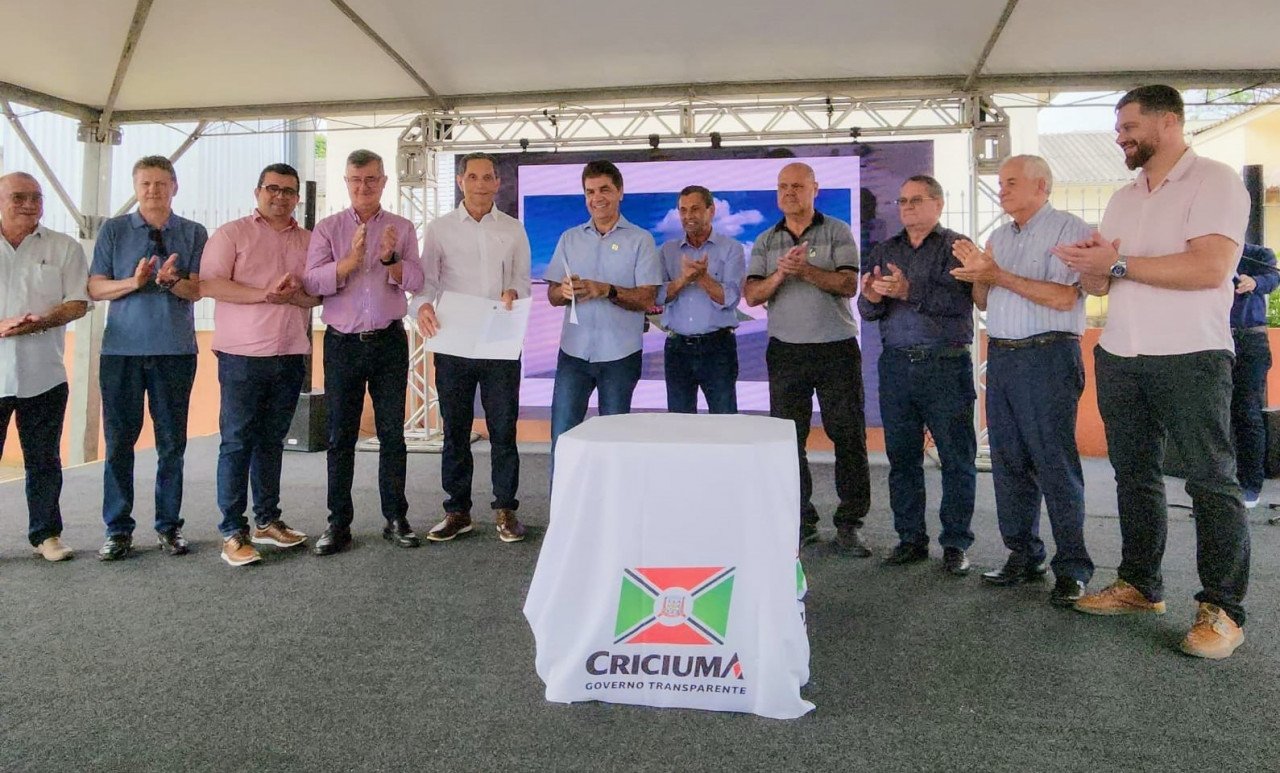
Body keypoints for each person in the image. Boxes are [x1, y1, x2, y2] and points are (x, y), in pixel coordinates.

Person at [1052, 85, 1251, 659]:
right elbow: (1102, 283)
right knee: (1133, 475)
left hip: (1191, 353)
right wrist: (1090, 268)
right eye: (1119, 129)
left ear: (1169, 123)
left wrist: (1114, 263)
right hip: (1121, 353)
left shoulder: (1214, 180)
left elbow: (1210, 267)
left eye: (1128, 127)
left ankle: (1223, 611)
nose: (1120, 138)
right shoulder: (1123, 197)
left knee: (1210, 481)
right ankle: (1140, 586)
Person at [951, 155, 1094, 605]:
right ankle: (1024, 554)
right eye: (1000, 182)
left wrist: (996, 273)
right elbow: (984, 301)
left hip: (1048, 354)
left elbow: (1064, 297)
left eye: (1012, 182)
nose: (1002, 190)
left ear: (1042, 186)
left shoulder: (1069, 229)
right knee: (1008, 462)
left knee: (1054, 463)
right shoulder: (999, 237)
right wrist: (978, 274)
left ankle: (1072, 567)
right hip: (1004, 357)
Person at [303, 149, 425, 556]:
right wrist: (350, 262)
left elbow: (417, 279)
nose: (363, 187)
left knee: (393, 434)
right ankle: (338, 523)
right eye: (356, 180)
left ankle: (396, 518)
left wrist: (390, 260)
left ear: (384, 181)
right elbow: (312, 282)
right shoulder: (328, 229)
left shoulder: (401, 227)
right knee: (340, 436)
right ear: (346, 182)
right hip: (342, 343)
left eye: (371, 179)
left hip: (389, 341)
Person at [745, 162, 871, 555]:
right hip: (786, 351)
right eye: (783, 186)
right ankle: (801, 521)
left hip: (836, 349)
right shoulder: (766, 240)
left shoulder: (837, 231)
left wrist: (806, 270)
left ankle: (850, 524)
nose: (789, 193)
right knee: (788, 440)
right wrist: (781, 275)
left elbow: (848, 284)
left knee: (848, 437)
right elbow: (752, 295)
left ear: (815, 189)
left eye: (797, 186)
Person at [200, 163, 319, 566]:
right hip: (242, 356)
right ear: (258, 192)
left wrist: (295, 296)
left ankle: (267, 520)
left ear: (297, 197)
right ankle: (232, 531)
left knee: (272, 441)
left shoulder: (309, 240)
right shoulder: (231, 234)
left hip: (290, 353)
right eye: (272, 188)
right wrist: (264, 294)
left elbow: (317, 296)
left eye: (288, 191)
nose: (280, 197)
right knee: (237, 442)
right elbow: (210, 283)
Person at [88, 156, 205, 561]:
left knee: (171, 443)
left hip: (174, 351)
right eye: (145, 184)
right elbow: (95, 288)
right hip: (121, 352)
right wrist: (134, 282)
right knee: (119, 443)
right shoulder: (114, 230)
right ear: (136, 188)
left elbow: (197, 290)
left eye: (161, 183)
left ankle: (169, 527)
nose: (153, 191)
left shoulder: (193, 232)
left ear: (175, 187)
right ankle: (117, 529)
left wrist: (172, 283)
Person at [858, 175, 975, 575]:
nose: (907, 207)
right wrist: (871, 297)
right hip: (896, 366)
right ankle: (910, 538)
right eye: (902, 201)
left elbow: (960, 302)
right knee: (902, 458)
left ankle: (956, 543)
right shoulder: (884, 249)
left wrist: (910, 292)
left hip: (945, 364)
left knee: (956, 458)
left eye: (916, 200)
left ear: (938, 204)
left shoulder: (957, 247)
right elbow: (868, 311)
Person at [413, 152, 532, 544]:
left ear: (498, 182)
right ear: (460, 181)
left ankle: (505, 510)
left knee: (503, 429)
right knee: (455, 430)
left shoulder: (513, 229)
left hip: (500, 340)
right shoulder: (440, 229)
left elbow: (523, 279)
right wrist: (422, 306)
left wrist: (514, 291)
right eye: (473, 177)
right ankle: (457, 511)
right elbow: (427, 284)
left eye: (488, 177)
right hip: (454, 340)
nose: (481, 184)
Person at [543, 160, 661, 460]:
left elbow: (647, 298)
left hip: (620, 357)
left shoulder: (641, 240)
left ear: (620, 192)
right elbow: (552, 295)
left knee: (614, 443)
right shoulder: (569, 238)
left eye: (604, 189)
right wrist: (563, 292)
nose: (597, 198)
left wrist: (607, 290)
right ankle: (562, 494)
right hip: (573, 354)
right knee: (563, 438)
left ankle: (612, 494)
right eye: (590, 191)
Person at [0, 172, 89, 562]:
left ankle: (47, 535)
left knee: (44, 461)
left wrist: (43, 322)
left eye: (36, 197)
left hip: (44, 374)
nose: (29, 204)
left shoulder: (64, 247)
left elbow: (78, 302)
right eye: (19, 197)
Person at [657, 185, 745, 414]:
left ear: (711, 211)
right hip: (677, 350)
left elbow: (731, 298)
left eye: (695, 209)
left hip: (718, 349)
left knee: (724, 421)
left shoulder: (731, 249)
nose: (688, 216)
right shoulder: (667, 251)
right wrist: (683, 280)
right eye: (683, 210)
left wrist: (702, 278)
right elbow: (658, 296)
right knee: (680, 423)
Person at [1228, 243, 1277, 509]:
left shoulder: (1257, 254)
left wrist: (1255, 282)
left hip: (1250, 340)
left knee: (1247, 412)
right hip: (1213, 339)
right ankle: (1224, 483)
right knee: (1215, 415)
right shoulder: (1209, 252)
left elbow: (1273, 277)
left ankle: (1250, 485)